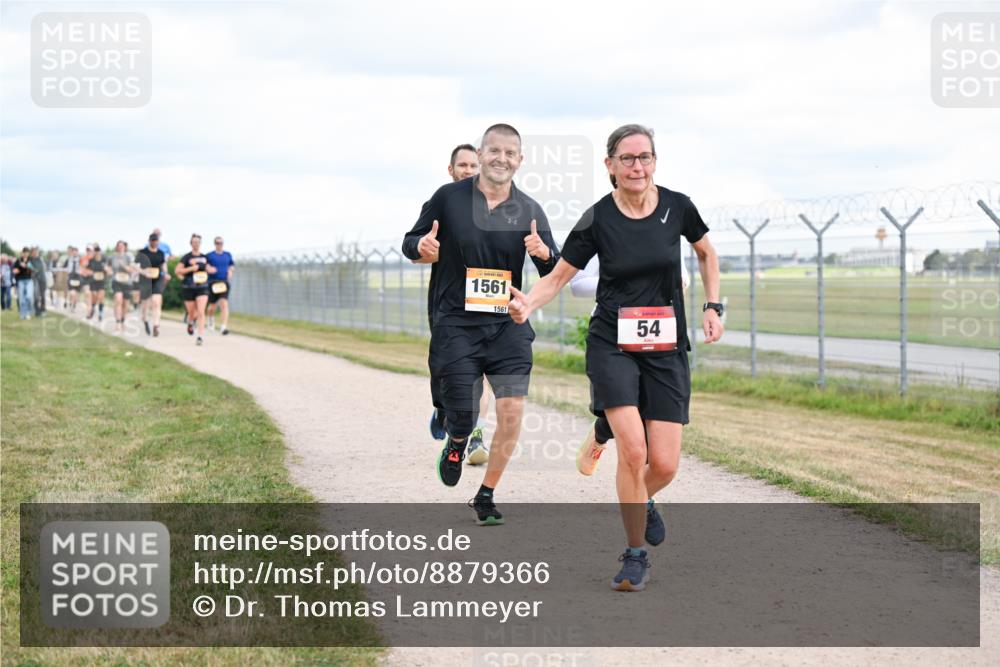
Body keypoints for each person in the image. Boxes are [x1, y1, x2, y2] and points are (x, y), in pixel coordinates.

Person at [507, 124, 723, 591]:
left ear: (655, 161)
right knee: (635, 451)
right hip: (612, 343)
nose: (637, 166)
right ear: (609, 165)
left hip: (665, 346)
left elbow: (707, 253)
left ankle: (641, 500)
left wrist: (712, 305)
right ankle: (635, 554)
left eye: (645, 157)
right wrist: (529, 301)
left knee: (663, 465)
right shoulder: (596, 219)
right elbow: (561, 275)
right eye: (627, 158)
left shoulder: (678, 207)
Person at [402, 123, 559, 525]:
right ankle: (457, 440)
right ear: (481, 153)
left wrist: (543, 253)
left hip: (507, 325)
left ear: (520, 161)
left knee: (511, 412)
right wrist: (421, 246)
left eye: (510, 153)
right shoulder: (449, 198)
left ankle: (486, 495)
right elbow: (411, 240)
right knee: (463, 411)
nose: (501, 159)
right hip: (456, 322)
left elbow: (555, 268)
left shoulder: (529, 210)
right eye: (494, 151)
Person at [570, 253, 690, 476]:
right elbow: (578, 285)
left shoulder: (669, 222)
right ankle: (600, 433)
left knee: (652, 414)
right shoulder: (603, 224)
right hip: (613, 334)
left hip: (657, 331)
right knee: (624, 407)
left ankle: (645, 499)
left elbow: (683, 277)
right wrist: (628, 282)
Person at [418, 143, 491, 465]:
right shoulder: (441, 203)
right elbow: (417, 250)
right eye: (462, 165)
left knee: (481, 372)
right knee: (449, 369)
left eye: (474, 165)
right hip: (448, 304)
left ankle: (476, 436)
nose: (469, 171)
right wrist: (426, 251)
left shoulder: (500, 206)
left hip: (488, 301)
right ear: (451, 170)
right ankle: (444, 406)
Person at [175, 233, 215, 346]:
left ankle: (200, 336)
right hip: (189, 287)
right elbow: (178, 271)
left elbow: (209, 268)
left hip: (202, 287)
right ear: (191, 243)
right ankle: (191, 322)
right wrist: (191, 268)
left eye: (198, 242)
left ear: (200, 243)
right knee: (192, 313)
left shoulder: (205, 257)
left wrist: (211, 269)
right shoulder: (186, 257)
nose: (196, 244)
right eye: (194, 242)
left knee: (201, 311)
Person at [137, 233, 168, 337]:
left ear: (158, 242)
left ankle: (156, 325)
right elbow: (134, 266)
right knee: (145, 304)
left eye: (156, 241)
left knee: (156, 302)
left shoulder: (161, 253)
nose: (154, 242)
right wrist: (143, 271)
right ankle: (145, 320)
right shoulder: (142, 252)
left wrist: (166, 274)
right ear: (149, 241)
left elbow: (163, 265)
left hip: (157, 279)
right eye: (152, 240)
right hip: (145, 280)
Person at [205, 236, 235, 335]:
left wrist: (230, 271)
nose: (219, 245)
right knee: (212, 306)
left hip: (224, 282)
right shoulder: (210, 255)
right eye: (217, 243)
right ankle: (210, 319)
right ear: (215, 244)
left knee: (224, 304)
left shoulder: (227, 255)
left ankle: (223, 327)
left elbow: (231, 265)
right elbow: (205, 265)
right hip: (213, 282)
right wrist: (208, 268)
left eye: (221, 243)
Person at [110, 241, 138, 334]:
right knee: (118, 300)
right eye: (119, 246)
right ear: (117, 247)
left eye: (122, 246)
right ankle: (117, 324)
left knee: (125, 304)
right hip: (116, 281)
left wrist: (124, 266)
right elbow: (108, 267)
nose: (120, 247)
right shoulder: (112, 257)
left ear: (125, 247)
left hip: (127, 282)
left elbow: (132, 269)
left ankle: (122, 321)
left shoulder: (129, 257)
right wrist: (108, 270)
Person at [81, 245, 110, 321]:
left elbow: (109, 271)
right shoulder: (91, 261)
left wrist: (107, 270)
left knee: (101, 297)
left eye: (98, 251)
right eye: (95, 251)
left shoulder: (104, 260)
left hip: (102, 282)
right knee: (94, 296)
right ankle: (93, 308)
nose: (97, 252)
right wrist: (90, 272)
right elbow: (86, 270)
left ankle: (100, 313)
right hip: (93, 282)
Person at [12, 247, 35, 320]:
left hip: (29, 280)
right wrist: (18, 269)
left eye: (27, 253)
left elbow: (34, 270)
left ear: (28, 253)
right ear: (22, 253)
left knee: (29, 296)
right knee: (22, 299)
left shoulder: (31, 260)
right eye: (24, 252)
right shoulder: (18, 261)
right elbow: (14, 271)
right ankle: (23, 314)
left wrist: (28, 266)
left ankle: (28, 312)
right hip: (20, 280)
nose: (25, 254)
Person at [30, 247, 47, 316]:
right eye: (34, 252)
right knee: (36, 295)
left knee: (43, 295)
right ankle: (37, 310)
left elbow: (44, 268)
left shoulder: (41, 259)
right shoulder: (31, 261)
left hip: (43, 279)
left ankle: (43, 308)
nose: (36, 253)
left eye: (37, 252)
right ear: (32, 253)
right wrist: (34, 270)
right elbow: (32, 269)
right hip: (35, 279)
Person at [66, 246, 83, 311]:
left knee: (76, 294)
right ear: (72, 252)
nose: (75, 253)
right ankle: (71, 303)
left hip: (78, 277)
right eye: (74, 252)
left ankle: (74, 305)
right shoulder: (69, 259)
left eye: (76, 251)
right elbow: (64, 267)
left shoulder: (80, 259)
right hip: (71, 277)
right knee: (72, 293)